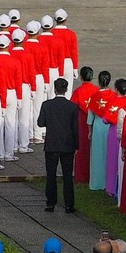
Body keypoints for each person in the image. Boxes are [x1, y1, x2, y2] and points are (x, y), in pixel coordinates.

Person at [36, 79, 82, 213]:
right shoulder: (72, 107)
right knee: (67, 176)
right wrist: (76, 146)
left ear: (54, 89)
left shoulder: (46, 105)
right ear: (66, 90)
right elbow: (75, 129)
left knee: (51, 175)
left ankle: (50, 203)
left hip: (51, 144)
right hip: (67, 145)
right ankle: (69, 204)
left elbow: (40, 123)